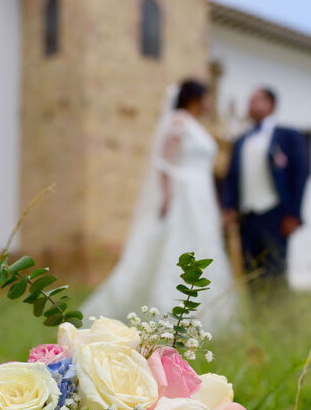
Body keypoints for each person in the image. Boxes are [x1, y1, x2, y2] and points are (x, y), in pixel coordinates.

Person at [83, 79, 236, 331]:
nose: (210, 102)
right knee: (179, 246)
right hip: (183, 195)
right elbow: (164, 163)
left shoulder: (195, 126)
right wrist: (167, 196)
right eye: (207, 97)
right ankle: (169, 311)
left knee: (203, 247)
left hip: (201, 196)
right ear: (195, 97)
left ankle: (206, 315)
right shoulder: (178, 122)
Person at [221, 87, 309, 290]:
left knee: (275, 269)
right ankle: (256, 316)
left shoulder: (288, 135)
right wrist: (228, 207)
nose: (251, 104)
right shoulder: (241, 140)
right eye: (249, 100)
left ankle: (278, 317)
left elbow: (300, 174)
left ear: (271, 105)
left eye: (257, 100)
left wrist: (294, 214)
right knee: (250, 270)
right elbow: (232, 177)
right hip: (247, 215)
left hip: (276, 213)